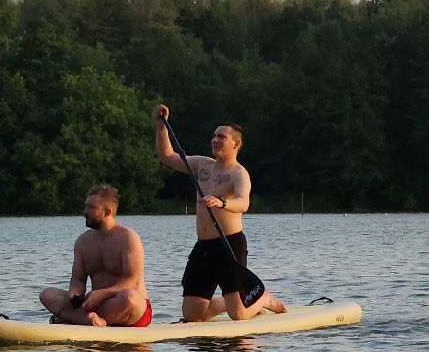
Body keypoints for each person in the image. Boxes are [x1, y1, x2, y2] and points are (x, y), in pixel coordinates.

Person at [154, 103, 287, 322]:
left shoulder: (239, 174)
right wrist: (161, 126)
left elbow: (243, 203)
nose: (215, 140)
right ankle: (233, 301)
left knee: (239, 315)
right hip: (204, 247)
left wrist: (222, 202)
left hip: (229, 245)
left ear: (236, 143)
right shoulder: (202, 165)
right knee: (192, 315)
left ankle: (262, 298)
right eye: (214, 135)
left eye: (222, 137)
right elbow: (167, 156)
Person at [39, 185, 151, 328]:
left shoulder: (128, 238)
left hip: (125, 307)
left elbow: (133, 281)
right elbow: (78, 279)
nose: (85, 211)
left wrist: (102, 294)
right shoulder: (83, 242)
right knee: (47, 294)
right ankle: (88, 321)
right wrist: (75, 293)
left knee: (129, 297)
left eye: (91, 207)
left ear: (107, 212)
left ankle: (92, 321)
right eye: (85, 206)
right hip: (95, 305)